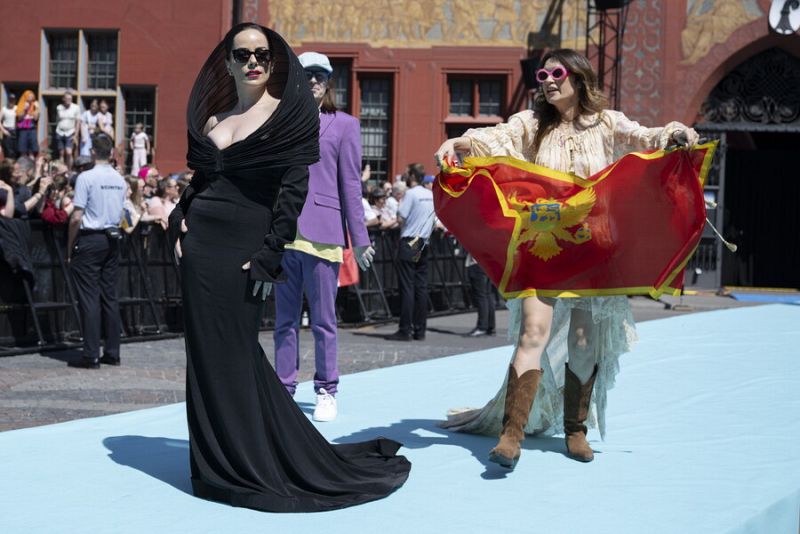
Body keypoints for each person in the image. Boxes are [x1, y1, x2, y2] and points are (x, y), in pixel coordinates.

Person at [167, 23, 409, 513]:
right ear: (229, 62)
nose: (253, 61)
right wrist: (178, 221)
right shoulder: (217, 118)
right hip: (201, 252)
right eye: (243, 54)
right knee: (205, 356)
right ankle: (213, 463)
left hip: (242, 250)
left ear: (273, 63)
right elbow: (200, 183)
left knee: (235, 353)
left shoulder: (287, 117)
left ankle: (250, 461)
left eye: (262, 54)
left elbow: (291, 193)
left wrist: (269, 254)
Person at [435, 48, 698, 469]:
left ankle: (575, 431)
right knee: (531, 336)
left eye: (557, 73)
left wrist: (674, 132)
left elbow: (646, 138)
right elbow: (492, 137)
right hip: (546, 246)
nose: (548, 80)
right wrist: (459, 142)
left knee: (582, 343)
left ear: (579, 78)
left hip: (594, 249)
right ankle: (510, 435)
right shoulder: (532, 124)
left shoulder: (608, 123)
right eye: (543, 74)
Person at [273, 51, 375, 422]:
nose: (312, 80)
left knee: (323, 321)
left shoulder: (345, 125)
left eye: (319, 75)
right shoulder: (280, 122)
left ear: (329, 81)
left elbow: (350, 183)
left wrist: (359, 237)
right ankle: (284, 388)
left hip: (324, 235)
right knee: (283, 321)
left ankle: (326, 390)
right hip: (284, 234)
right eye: (305, 74)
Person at [66, 133, 126, 369]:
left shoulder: (86, 177)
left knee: (89, 297)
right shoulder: (119, 179)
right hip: (112, 237)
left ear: (92, 152)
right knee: (110, 296)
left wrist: (70, 245)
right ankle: (112, 352)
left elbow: (77, 216)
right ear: (111, 153)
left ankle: (91, 354)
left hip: (91, 238)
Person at [386, 163, 435, 341]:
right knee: (421, 287)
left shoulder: (410, 194)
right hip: (424, 242)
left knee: (407, 287)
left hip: (410, 241)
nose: (406, 176)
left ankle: (405, 329)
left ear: (413, 175)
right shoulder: (430, 195)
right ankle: (420, 329)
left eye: (407, 173)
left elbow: (401, 218)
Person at [465, 253, 496, 337]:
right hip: (489, 262)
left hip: (477, 263)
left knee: (481, 295)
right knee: (488, 294)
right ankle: (490, 326)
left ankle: (482, 327)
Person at [55, 92, 81, 168]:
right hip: (60, 131)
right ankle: (62, 171)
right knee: (61, 153)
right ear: (63, 99)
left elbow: (78, 122)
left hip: (70, 132)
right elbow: (58, 119)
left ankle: (69, 170)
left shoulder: (76, 107)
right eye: (67, 98)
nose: (69, 100)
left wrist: (76, 135)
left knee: (69, 152)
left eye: (70, 99)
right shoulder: (59, 107)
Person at [16, 90, 39, 158]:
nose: (30, 98)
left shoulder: (34, 105)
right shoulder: (21, 104)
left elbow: (36, 118)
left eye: (32, 97)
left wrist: (37, 108)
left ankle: (32, 166)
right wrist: (24, 109)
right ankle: (24, 165)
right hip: (23, 128)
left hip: (32, 128)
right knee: (23, 150)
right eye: (29, 96)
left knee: (32, 151)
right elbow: (19, 118)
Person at [1, 93, 17, 160]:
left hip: (15, 131)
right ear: (8, 100)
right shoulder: (4, 109)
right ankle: (8, 167)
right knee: (8, 150)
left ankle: (13, 166)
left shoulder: (17, 108)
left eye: (13, 100)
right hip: (7, 130)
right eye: (10, 100)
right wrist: (3, 131)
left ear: (15, 101)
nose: (11, 102)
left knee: (15, 149)